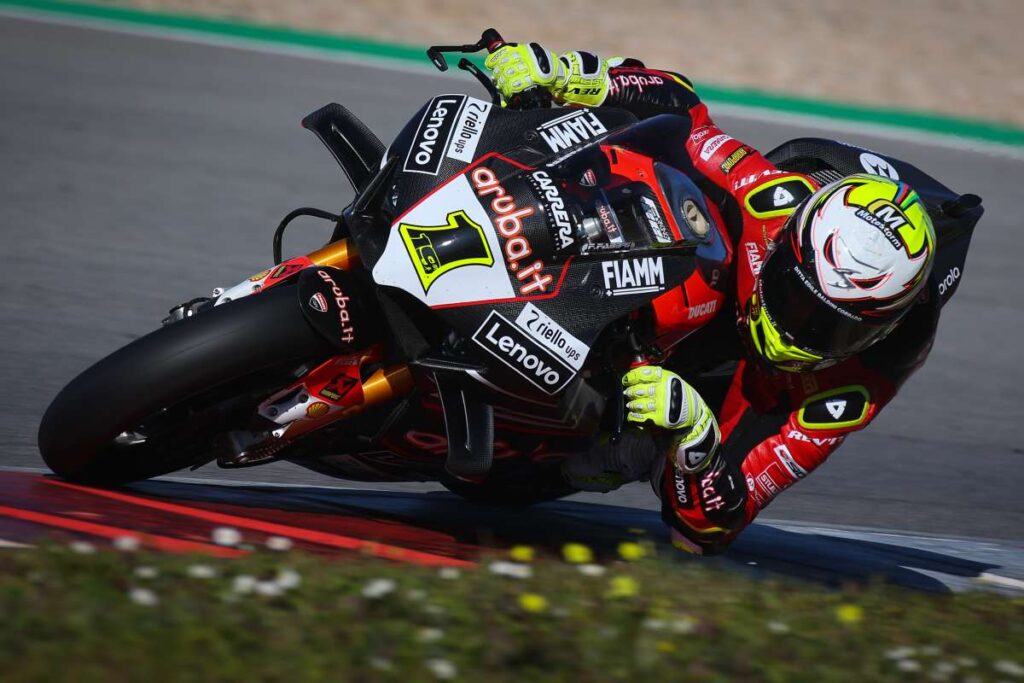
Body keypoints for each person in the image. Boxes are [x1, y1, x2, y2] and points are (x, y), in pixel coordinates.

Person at [484, 43, 941, 554]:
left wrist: (695, 439)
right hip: (678, 291)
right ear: (789, 244)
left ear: (877, 333)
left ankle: (542, 451)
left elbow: (713, 528)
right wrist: (571, 75)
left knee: (623, 456)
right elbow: (685, 114)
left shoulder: (849, 392)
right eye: (796, 295)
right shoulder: (773, 201)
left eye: (832, 328)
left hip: (722, 393)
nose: (796, 330)